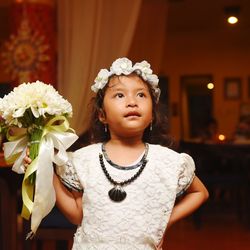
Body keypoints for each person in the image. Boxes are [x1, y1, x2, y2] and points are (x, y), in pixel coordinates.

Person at [24, 57, 209, 249]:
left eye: (141, 95)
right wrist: (47, 173)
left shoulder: (168, 161)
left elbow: (199, 192)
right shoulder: (82, 160)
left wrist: (166, 220)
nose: (132, 102)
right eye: (120, 95)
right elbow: (77, 215)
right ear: (102, 115)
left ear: (152, 114)